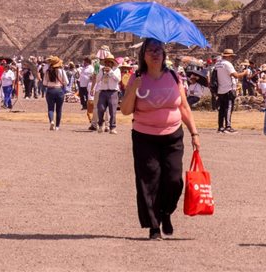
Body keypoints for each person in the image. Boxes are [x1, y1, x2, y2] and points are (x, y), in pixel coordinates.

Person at [119, 38, 200, 240]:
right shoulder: (136, 77)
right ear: (143, 55)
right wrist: (134, 87)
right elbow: (126, 110)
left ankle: (165, 212)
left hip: (172, 135)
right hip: (144, 136)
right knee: (149, 180)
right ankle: (154, 225)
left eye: (158, 50)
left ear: (164, 54)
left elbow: (183, 107)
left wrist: (194, 133)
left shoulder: (173, 76)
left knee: (174, 180)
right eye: (150, 50)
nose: (155, 54)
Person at [212, 49, 248, 133]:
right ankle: (228, 126)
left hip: (220, 89)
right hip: (228, 89)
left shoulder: (217, 64)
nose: (232, 58)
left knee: (221, 109)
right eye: (231, 56)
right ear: (229, 56)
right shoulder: (228, 64)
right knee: (228, 108)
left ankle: (220, 127)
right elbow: (236, 76)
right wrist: (244, 73)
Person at [92, 57, 121, 133]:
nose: (107, 64)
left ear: (112, 63)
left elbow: (118, 79)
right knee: (100, 108)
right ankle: (100, 125)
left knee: (112, 111)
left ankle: (112, 128)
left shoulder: (116, 70)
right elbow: (97, 80)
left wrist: (110, 72)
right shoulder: (102, 70)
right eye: (106, 63)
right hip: (103, 92)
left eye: (109, 63)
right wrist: (100, 72)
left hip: (113, 92)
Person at [42, 56, 68, 130]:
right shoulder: (62, 71)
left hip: (50, 90)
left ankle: (51, 121)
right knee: (59, 109)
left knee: (50, 108)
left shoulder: (47, 71)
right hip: (59, 90)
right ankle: (57, 126)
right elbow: (66, 82)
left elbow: (44, 83)